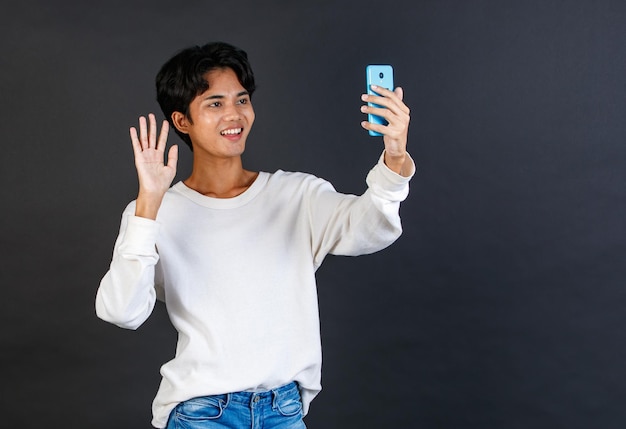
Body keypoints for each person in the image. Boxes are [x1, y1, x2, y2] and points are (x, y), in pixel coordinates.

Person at [95, 41, 414, 429]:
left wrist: (395, 158)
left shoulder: (296, 195)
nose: (234, 114)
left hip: (283, 411)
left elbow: (371, 228)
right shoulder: (156, 211)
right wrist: (148, 201)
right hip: (201, 413)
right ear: (182, 121)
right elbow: (121, 311)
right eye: (215, 103)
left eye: (241, 100)